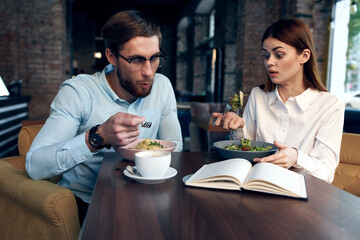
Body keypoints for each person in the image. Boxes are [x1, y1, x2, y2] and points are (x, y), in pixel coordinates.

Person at [25, 10, 183, 224]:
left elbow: (176, 146)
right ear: (111, 57)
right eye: (136, 60)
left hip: (147, 198)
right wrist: (98, 137)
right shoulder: (79, 92)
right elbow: (34, 165)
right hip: (86, 203)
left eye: (154, 58)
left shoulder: (162, 86)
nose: (148, 72)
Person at [212, 18, 344, 184]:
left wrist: (296, 157)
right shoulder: (258, 95)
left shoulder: (330, 105)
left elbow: (326, 173)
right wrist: (239, 127)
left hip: (304, 196)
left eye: (279, 55)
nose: (269, 62)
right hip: (257, 188)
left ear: (304, 56)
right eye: (266, 55)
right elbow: (243, 155)